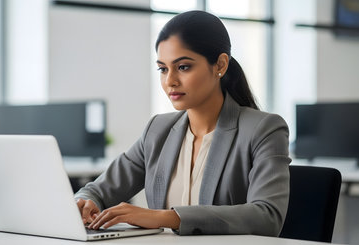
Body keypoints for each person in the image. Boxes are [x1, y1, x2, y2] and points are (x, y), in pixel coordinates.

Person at [75, 10, 291, 236]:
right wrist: (84, 201)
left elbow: (267, 216)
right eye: (163, 68)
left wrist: (166, 217)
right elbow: (97, 190)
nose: (170, 81)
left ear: (220, 65)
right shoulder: (157, 130)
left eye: (183, 67)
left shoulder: (264, 129)